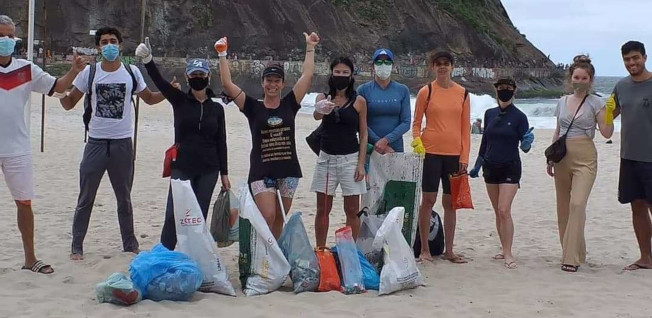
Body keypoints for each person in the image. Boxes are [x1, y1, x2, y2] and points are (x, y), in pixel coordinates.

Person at [59, 27, 166, 260]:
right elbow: (70, 103)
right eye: (104, 42)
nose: (109, 45)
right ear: (98, 47)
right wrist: (57, 92)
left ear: (120, 44)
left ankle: (130, 244)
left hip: (122, 144)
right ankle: (77, 246)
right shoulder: (90, 72)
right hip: (95, 143)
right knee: (86, 197)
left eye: (113, 41)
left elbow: (148, 98)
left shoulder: (132, 71)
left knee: (124, 198)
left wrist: (169, 91)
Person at [0, 15, 85, 273]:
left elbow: (56, 86)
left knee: (24, 203)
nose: (6, 40)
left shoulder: (25, 69)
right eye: (1, 35)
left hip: (17, 148)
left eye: (10, 36)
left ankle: (30, 259)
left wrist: (74, 71)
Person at [217, 32, 319, 238]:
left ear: (282, 84)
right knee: (267, 216)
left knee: (280, 218)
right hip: (261, 170)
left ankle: (272, 260)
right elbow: (228, 84)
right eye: (268, 81)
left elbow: (307, 76)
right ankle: (259, 252)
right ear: (262, 83)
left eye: (277, 81)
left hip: (288, 170)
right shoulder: (252, 107)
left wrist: (310, 47)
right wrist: (222, 54)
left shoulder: (290, 103)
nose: (272, 85)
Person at [135, 38, 230, 250]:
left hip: (209, 169)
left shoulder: (217, 109)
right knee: (173, 212)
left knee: (199, 214)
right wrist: (149, 60)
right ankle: (165, 252)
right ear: (187, 77)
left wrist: (224, 172)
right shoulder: (179, 100)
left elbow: (221, 141)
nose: (198, 78)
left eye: (201, 75)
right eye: (194, 75)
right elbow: (159, 82)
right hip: (182, 166)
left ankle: (195, 254)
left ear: (208, 77)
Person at [546, 55, 614, 272]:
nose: (580, 81)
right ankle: (573, 252)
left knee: (577, 204)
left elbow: (606, 133)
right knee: (563, 207)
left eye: (584, 78)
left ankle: (570, 258)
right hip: (562, 156)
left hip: (585, 156)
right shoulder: (562, 101)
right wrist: (550, 156)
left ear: (590, 80)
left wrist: (610, 113)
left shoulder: (597, 102)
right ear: (570, 77)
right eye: (576, 77)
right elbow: (558, 130)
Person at [411, 50, 471, 263]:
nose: (443, 67)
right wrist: (417, 141)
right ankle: (425, 249)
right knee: (428, 200)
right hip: (431, 153)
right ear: (433, 67)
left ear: (452, 67)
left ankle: (450, 250)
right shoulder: (426, 91)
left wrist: (464, 157)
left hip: (454, 154)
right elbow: (416, 123)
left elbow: (466, 128)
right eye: (438, 63)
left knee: (451, 203)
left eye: (446, 63)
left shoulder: (463, 93)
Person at [469, 77, 534, 269]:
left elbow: (525, 146)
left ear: (514, 91)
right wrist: (477, 166)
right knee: (498, 211)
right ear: (495, 90)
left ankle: (508, 252)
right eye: (500, 88)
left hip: (510, 167)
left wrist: (527, 142)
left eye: (508, 88)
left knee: (505, 210)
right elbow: (485, 143)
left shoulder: (520, 117)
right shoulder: (489, 114)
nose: (504, 91)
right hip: (490, 167)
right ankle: (503, 246)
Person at [311, 57, 368, 246]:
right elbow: (316, 116)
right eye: (337, 72)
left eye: (345, 73)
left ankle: (350, 250)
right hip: (326, 158)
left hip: (350, 159)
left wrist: (361, 164)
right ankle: (320, 248)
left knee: (352, 210)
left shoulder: (359, 101)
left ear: (351, 76)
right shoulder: (323, 98)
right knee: (323, 209)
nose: (341, 76)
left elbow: (364, 133)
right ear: (331, 73)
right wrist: (320, 109)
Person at [609, 41, 652, 271]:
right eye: (627, 59)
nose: (631, 63)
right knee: (637, 206)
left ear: (645, 57)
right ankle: (646, 257)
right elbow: (607, 114)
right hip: (629, 157)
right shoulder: (621, 86)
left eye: (635, 58)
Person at [356, 48, 410, 154]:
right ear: (372, 66)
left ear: (393, 66)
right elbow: (359, 121)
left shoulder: (402, 90)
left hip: (395, 149)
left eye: (387, 62)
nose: (383, 65)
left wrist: (386, 140)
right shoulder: (363, 90)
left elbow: (406, 122)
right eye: (379, 62)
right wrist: (378, 142)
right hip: (369, 147)